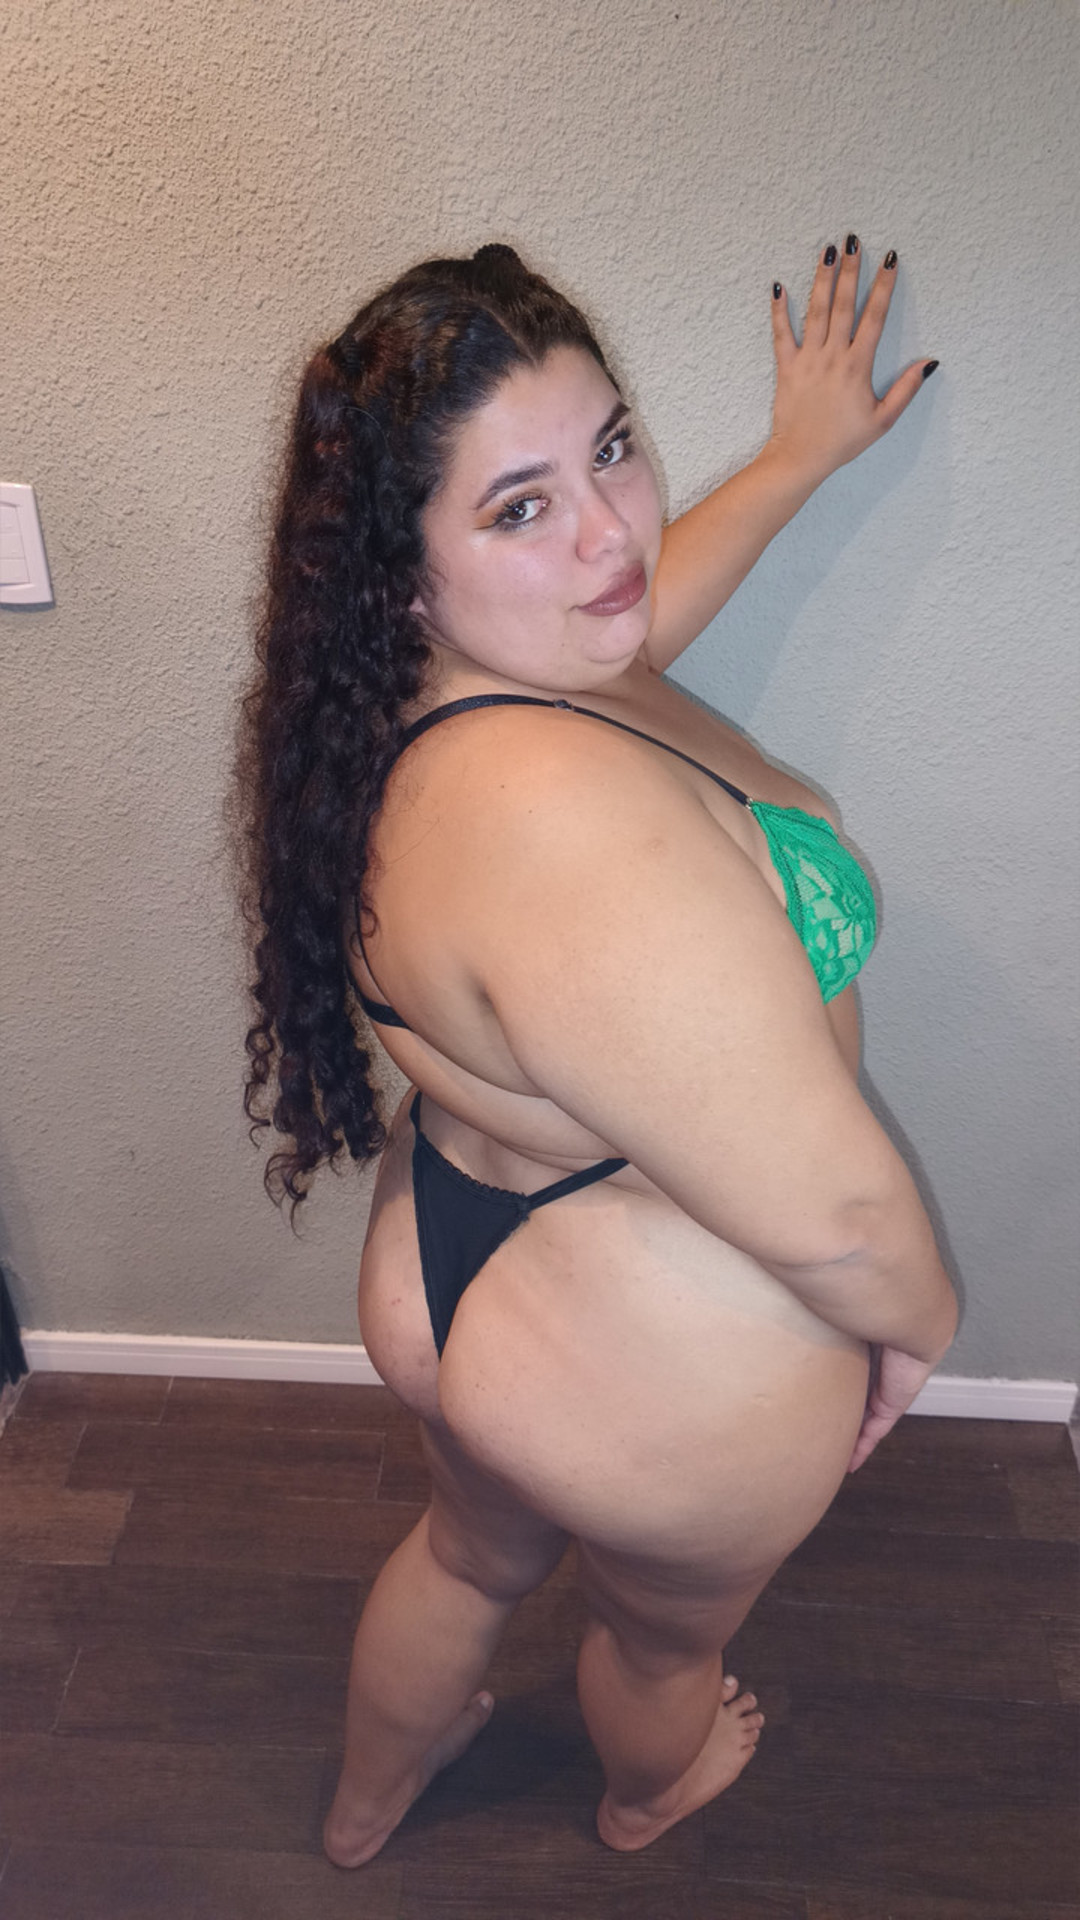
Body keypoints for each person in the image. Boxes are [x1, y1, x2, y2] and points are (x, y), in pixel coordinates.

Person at [236, 237, 957, 1866]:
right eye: (522, 507)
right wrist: (922, 1324)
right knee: (660, 1642)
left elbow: (635, 614)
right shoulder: (563, 826)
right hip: (646, 1358)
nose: (610, 534)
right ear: (408, 572)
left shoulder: (431, 692)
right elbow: (843, 1217)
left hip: (458, 1255)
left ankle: (365, 1807)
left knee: (467, 1552)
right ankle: (651, 1794)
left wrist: (792, 459)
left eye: (612, 448)